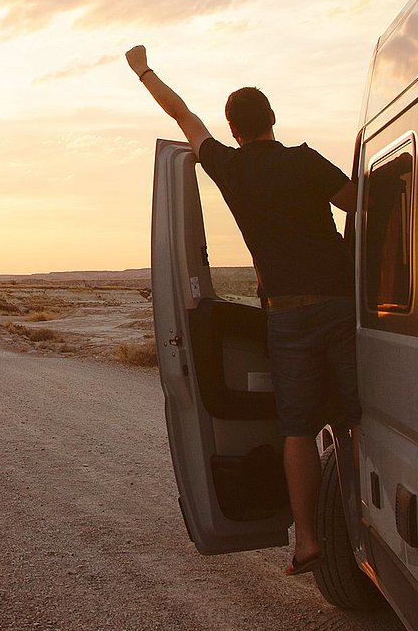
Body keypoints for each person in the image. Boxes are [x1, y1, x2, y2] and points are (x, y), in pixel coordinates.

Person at [125, 44, 359, 577]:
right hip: (341, 306)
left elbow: (182, 115)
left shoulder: (228, 167)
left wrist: (144, 71)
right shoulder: (303, 159)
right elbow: (359, 204)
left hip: (286, 315)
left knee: (297, 427)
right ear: (272, 119)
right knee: (352, 418)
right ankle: (365, 519)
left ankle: (306, 537)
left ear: (232, 129)